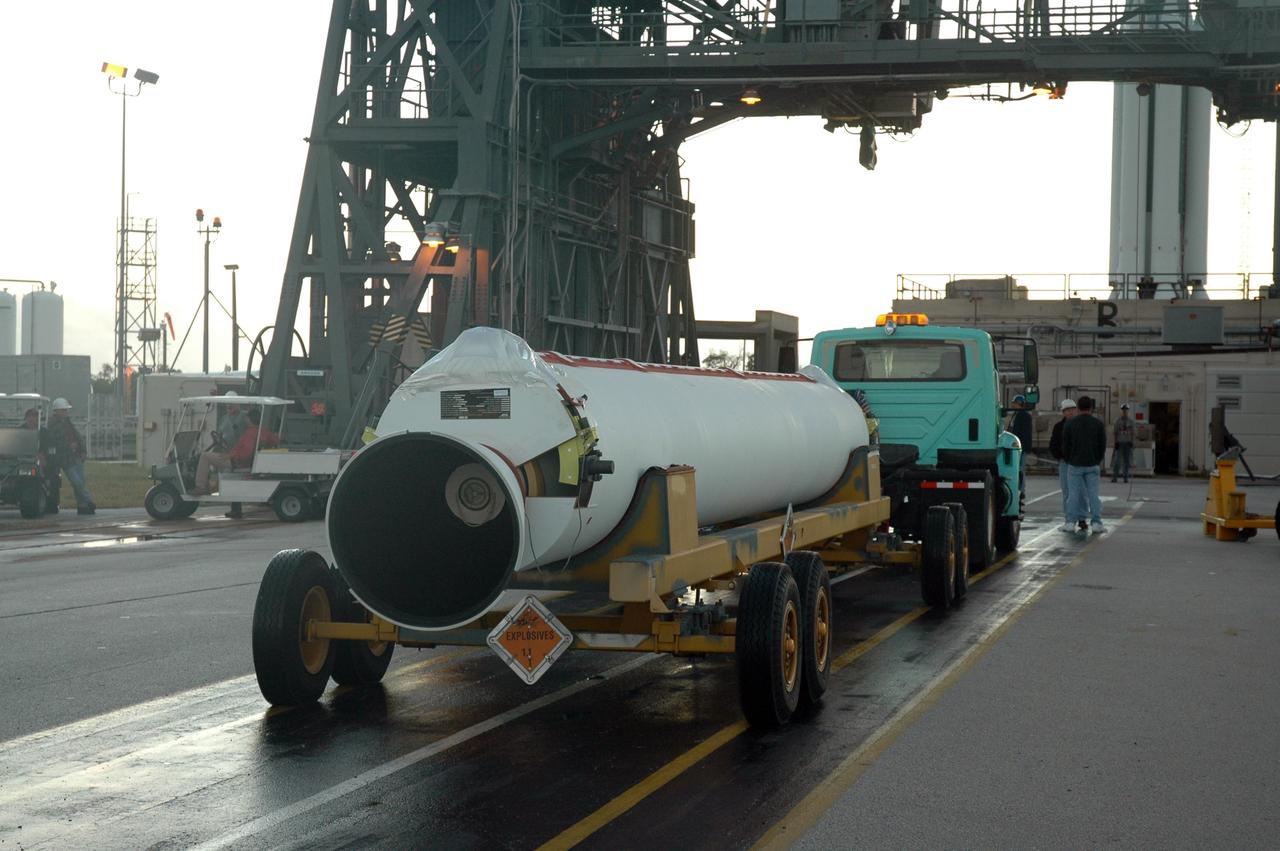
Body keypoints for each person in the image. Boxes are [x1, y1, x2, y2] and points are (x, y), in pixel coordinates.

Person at [194, 408, 279, 494]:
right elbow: (276, 440)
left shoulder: (250, 433)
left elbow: (246, 453)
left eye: (246, 418)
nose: (245, 419)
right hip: (248, 462)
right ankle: (213, 487)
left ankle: (200, 486)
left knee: (205, 456)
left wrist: (230, 456)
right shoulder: (263, 431)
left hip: (238, 462)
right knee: (217, 458)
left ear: (249, 419)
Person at [1062, 395, 1108, 535]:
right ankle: (1096, 523)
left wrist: (1069, 459)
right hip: (1092, 464)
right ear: (1091, 408)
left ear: (1078, 408)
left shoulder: (1070, 424)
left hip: (1074, 464)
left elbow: (1065, 445)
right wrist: (1097, 459)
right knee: (1093, 495)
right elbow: (1103, 445)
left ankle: (1070, 522)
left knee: (1073, 494)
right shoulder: (1098, 424)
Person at [46, 398, 95, 515]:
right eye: (63, 410)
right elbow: (54, 442)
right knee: (77, 482)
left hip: (77, 456)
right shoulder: (52, 425)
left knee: (80, 483)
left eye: (66, 410)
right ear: (56, 411)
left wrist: (83, 451)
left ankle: (82, 507)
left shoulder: (67, 422)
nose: (66, 412)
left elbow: (77, 436)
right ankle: (88, 501)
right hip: (66, 459)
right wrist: (69, 446)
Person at [1048, 398, 1076, 532]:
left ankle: (1079, 518)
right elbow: (1053, 444)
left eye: (1072, 410)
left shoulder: (1078, 426)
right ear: (1063, 412)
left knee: (1078, 492)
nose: (1070, 412)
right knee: (1066, 492)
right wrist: (1059, 456)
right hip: (1065, 463)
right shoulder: (1059, 427)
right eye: (1068, 410)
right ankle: (1069, 519)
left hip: (1077, 463)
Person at [1008, 394, 1034, 482]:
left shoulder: (1024, 416)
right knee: (1016, 469)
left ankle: (1021, 489)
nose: (1012, 405)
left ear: (1019, 403)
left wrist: (1025, 448)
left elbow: (1026, 433)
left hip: (1020, 447)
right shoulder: (1015, 415)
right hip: (1014, 447)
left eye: (1014, 403)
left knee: (1020, 470)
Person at [1112, 403, 1134, 483]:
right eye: (1123, 410)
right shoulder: (1117, 421)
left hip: (1127, 443)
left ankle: (1125, 477)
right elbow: (1115, 432)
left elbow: (1132, 432)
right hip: (1120, 442)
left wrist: (1132, 442)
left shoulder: (1131, 421)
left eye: (1126, 410)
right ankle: (1115, 477)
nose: (1125, 412)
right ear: (1121, 411)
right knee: (1117, 461)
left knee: (1127, 461)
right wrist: (1115, 442)